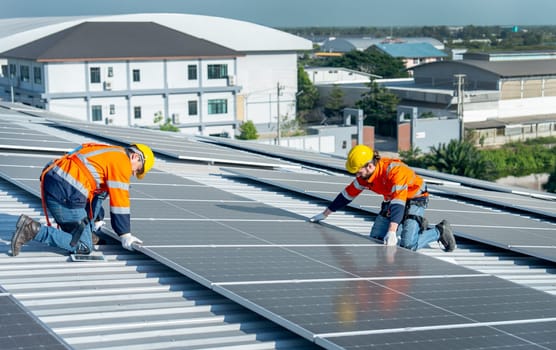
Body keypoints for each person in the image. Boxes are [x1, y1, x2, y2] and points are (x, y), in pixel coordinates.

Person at [11, 142, 155, 256]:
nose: (134, 173)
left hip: (61, 187)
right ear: (135, 157)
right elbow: (120, 201)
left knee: (101, 194)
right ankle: (32, 230)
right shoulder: (122, 163)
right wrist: (125, 235)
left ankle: (87, 232)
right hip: (65, 194)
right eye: (138, 169)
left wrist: (98, 219)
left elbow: (98, 192)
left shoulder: (112, 153)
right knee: (84, 246)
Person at [310, 144, 456, 252]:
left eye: (358, 171)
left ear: (369, 166)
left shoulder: (395, 171)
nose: (357, 175)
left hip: (415, 198)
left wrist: (392, 231)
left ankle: (439, 231)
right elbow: (347, 195)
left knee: (408, 246)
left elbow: (399, 202)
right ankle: (410, 224)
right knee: (376, 239)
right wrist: (325, 213)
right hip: (393, 200)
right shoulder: (365, 178)